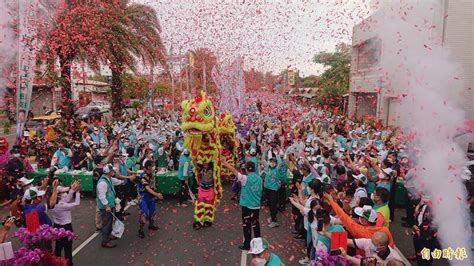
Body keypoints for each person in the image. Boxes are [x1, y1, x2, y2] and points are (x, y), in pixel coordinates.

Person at [322, 193, 395, 247]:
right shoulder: (386, 230)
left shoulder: (361, 231)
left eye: (361, 216)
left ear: (364, 221)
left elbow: (344, 217)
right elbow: (391, 246)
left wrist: (330, 200)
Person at [223, 160, 262, 251]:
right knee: (256, 226)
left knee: (247, 226)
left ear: (247, 169)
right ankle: (258, 245)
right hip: (256, 206)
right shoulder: (259, 179)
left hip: (247, 207)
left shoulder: (245, 179)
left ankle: (247, 245)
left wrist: (225, 163)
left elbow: (234, 172)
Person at [50, 181, 81, 266]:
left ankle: (56, 263)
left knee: (58, 248)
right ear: (59, 195)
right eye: (63, 193)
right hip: (66, 227)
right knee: (67, 249)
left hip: (56, 227)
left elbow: (67, 199)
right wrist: (77, 192)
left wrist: (72, 189)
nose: (64, 194)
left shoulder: (52, 203)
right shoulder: (62, 205)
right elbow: (76, 203)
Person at [96, 164, 125, 248]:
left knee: (110, 222)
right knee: (107, 224)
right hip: (106, 207)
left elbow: (116, 181)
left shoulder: (108, 179)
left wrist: (125, 180)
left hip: (110, 205)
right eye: (113, 170)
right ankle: (105, 241)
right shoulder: (102, 183)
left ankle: (108, 236)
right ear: (109, 172)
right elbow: (102, 196)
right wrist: (106, 206)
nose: (114, 172)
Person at [336, 231, 403, 265]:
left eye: (374, 244)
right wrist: (327, 234)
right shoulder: (369, 242)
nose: (370, 244)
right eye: (371, 240)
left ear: (382, 248)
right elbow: (348, 241)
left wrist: (347, 257)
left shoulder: (395, 260)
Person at [137, 160, 163, 238]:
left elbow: (153, 185)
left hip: (150, 196)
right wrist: (156, 194)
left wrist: (156, 193)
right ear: (148, 167)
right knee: (145, 213)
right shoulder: (143, 176)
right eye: (152, 166)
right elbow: (147, 188)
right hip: (143, 197)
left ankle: (151, 225)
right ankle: (140, 230)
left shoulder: (152, 173)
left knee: (152, 212)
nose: (153, 167)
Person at [263, 156, 280, 228]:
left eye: (274, 162)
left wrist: (279, 151)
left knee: (273, 205)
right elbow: (262, 160)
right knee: (270, 204)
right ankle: (272, 217)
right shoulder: (267, 168)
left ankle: (274, 221)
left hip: (273, 189)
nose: (272, 163)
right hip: (267, 188)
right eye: (271, 161)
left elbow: (280, 161)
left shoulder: (277, 169)